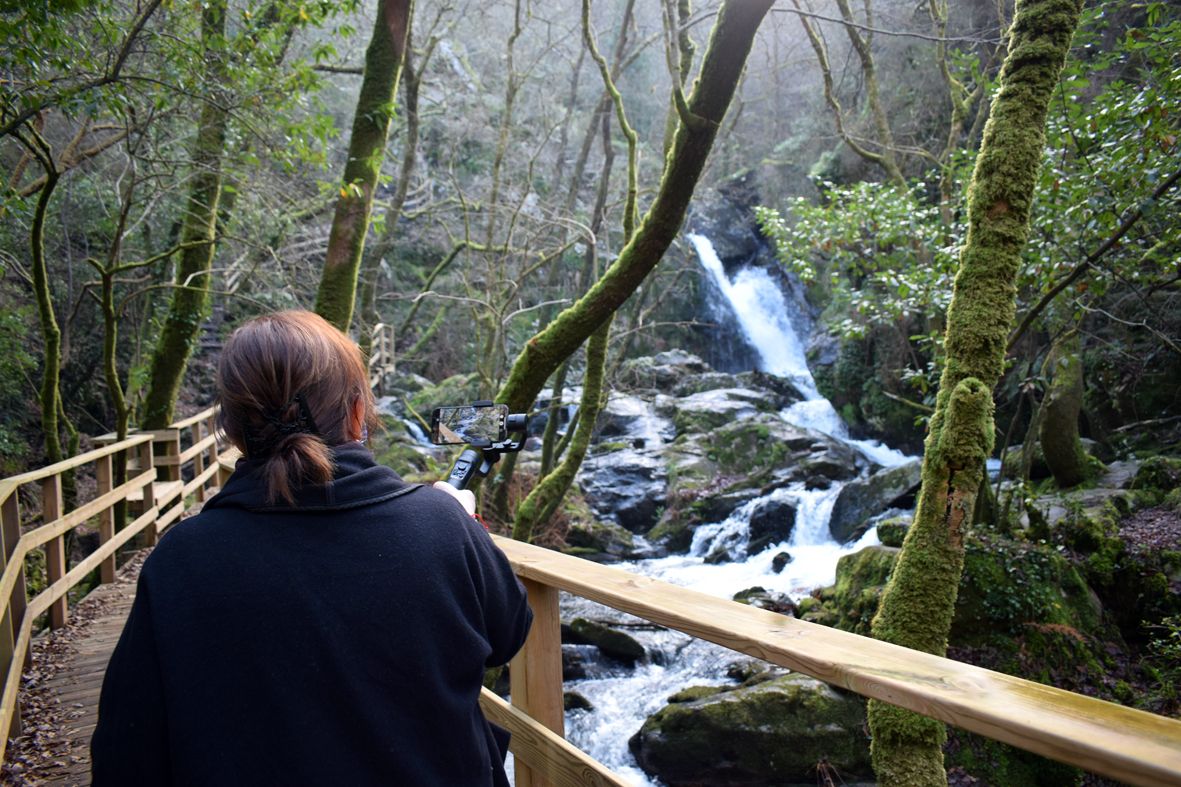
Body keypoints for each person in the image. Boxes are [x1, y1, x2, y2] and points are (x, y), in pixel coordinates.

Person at [91, 310, 532, 786]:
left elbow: (125, 754)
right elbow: (508, 636)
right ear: (359, 412)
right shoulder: (441, 527)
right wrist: (454, 522)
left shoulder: (179, 561)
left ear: (234, 431)